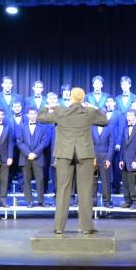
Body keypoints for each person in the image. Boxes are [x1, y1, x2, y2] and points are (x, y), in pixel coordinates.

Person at [38, 87, 110, 234]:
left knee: (63, 190)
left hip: (65, 153)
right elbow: (105, 120)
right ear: (83, 99)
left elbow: (40, 117)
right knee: (85, 190)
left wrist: (48, 106)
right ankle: (86, 227)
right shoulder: (89, 112)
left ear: (70, 97)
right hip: (85, 154)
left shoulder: (60, 111)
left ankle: (58, 227)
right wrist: (94, 107)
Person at [16, 106, 50, 207]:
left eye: (35, 113)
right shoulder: (21, 126)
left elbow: (44, 142)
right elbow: (19, 141)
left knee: (40, 180)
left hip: (38, 157)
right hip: (25, 157)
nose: (33, 115)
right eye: (31, 113)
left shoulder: (43, 127)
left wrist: (35, 153)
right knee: (26, 180)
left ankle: (41, 201)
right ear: (27, 115)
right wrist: (28, 153)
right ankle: (29, 201)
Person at [117, 108, 136, 210]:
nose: (128, 118)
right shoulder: (125, 128)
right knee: (125, 182)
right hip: (125, 160)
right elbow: (123, 146)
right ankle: (127, 200)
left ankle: (135, 201)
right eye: (127, 115)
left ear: (135, 116)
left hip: (134, 160)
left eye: (130, 115)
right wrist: (121, 159)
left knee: (134, 182)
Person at [91, 105, 115, 207]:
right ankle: (93, 201)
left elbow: (112, 144)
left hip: (105, 159)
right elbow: (89, 143)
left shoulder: (109, 127)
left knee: (106, 181)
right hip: (94, 160)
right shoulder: (92, 127)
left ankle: (106, 201)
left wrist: (109, 159)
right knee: (93, 181)